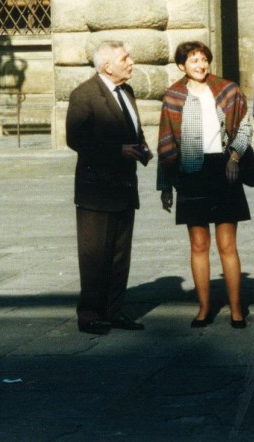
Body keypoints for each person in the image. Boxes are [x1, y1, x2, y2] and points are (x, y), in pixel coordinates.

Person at [157, 41, 253, 329]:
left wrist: (235, 156)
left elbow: (246, 127)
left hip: (223, 170)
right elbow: (166, 141)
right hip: (191, 172)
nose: (200, 65)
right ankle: (203, 308)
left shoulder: (227, 89)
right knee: (199, 244)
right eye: (193, 60)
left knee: (227, 244)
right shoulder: (174, 96)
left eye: (203, 60)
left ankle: (236, 310)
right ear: (181, 66)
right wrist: (166, 186)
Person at [66, 41, 151, 335]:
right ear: (107, 66)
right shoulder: (84, 95)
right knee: (94, 255)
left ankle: (114, 311)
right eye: (125, 58)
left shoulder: (126, 92)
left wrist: (142, 148)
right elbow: (76, 139)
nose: (131, 62)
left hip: (124, 187)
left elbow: (132, 129)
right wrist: (118, 150)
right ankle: (90, 315)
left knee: (118, 254)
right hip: (97, 191)